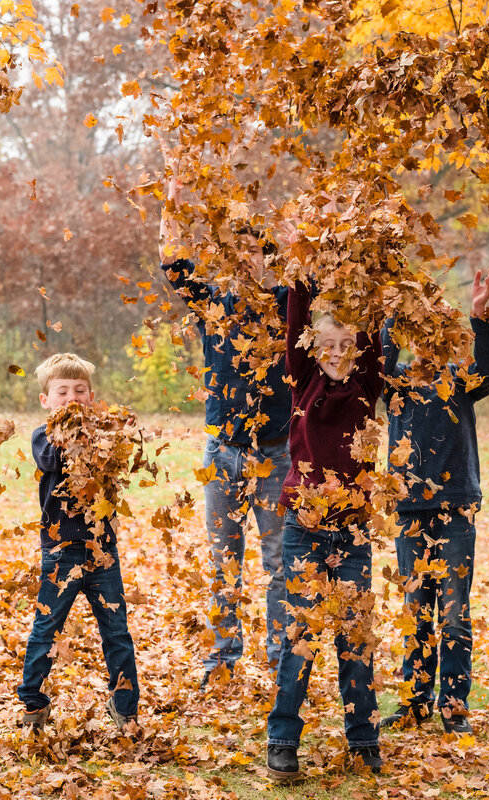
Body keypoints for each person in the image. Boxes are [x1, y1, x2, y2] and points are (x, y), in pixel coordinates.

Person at [159, 165, 293, 687]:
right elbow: (172, 263)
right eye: (238, 257)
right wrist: (172, 202)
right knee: (223, 560)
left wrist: (295, 240)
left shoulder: (286, 306)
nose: (247, 263)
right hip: (222, 452)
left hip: (275, 454)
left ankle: (282, 655)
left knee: (279, 561)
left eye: (256, 255)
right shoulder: (214, 305)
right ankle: (223, 655)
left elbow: (310, 277)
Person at [265, 281, 384, 781]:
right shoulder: (302, 381)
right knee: (301, 639)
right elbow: (294, 330)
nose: (337, 354)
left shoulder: (367, 385)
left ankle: (363, 741)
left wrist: (371, 272)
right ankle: (283, 741)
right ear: (314, 350)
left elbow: (376, 330)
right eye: (328, 345)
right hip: (305, 526)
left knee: (355, 641)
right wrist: (300, 280)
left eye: (346, 345)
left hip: (353, 531)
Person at [380, 266, 489, 736]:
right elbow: (378, 364)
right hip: (410, 510)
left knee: (453, 614)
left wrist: (479, 317)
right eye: (420, 332)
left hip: (454, 511)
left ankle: (453, 706)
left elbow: (487, 371)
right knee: (417, 612)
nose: (429, 342)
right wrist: (392, 314)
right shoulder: (396, 383)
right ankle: (414, 702)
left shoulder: (461, 380)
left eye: (438, 333)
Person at [18, 353, 141, 735]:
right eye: (62, 391)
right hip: (61, 551)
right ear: (46, 400)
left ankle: (124, 707)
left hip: (103, 551)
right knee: (46, 628)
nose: (71, 397)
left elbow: (119, 461)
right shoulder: (43, 435)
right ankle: (33, 704)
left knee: (116, 630)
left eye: (79, 391)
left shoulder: (104, 435)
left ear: (92, 396)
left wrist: (118, 430)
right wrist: (83, 432)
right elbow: (55, 456)